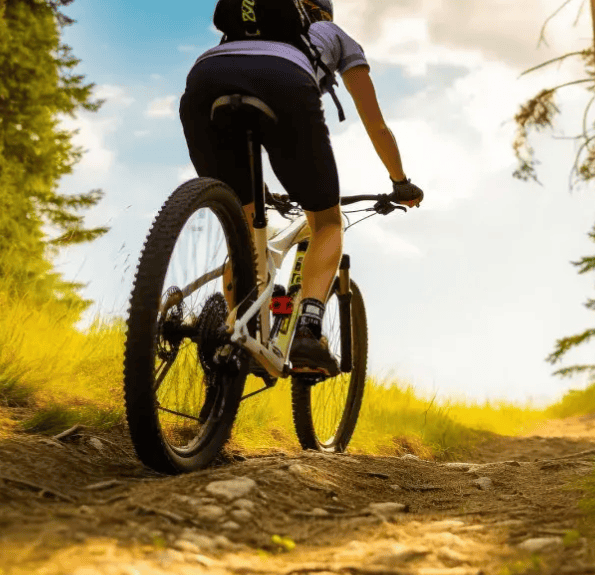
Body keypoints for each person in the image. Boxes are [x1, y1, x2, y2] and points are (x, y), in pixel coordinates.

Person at [179, 0, 423, 374]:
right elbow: (376, 125)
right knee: (327, 222)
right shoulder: (336, 36)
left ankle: (234, 335)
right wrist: (400, 182)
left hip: (204, 78)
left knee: (245, 223)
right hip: (284, 82)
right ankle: (308, 331)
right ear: (324, 12)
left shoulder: (241, 29)